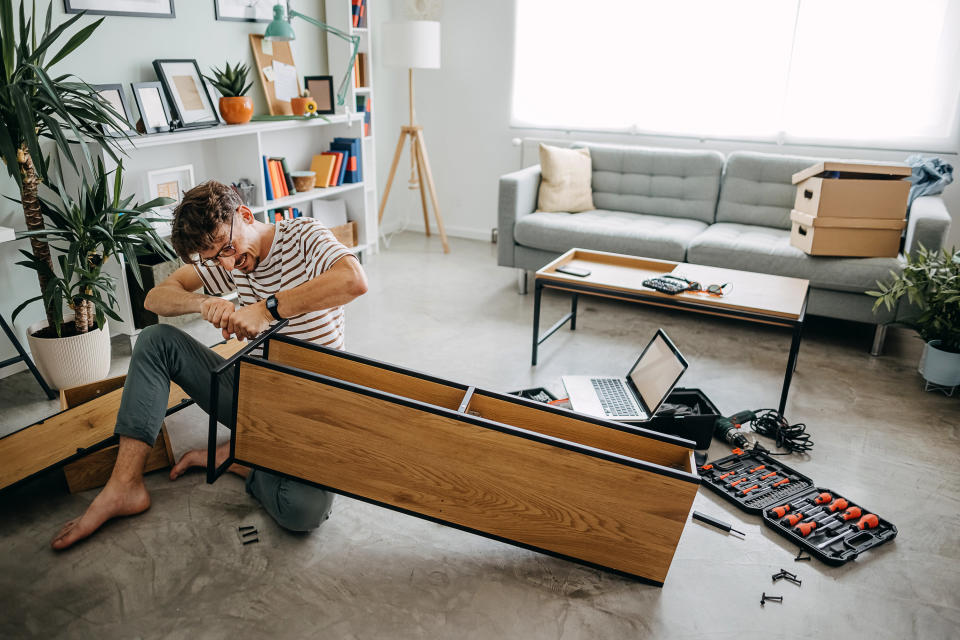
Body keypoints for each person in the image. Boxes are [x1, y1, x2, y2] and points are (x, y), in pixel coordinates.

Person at [51, 181, 368, 550]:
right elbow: (156, 298)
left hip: (316, 407)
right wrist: (201, 304)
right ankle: (125, 486)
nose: (229, 263)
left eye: (229, 248)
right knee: (156, 341)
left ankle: (242, 459)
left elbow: (354, 280)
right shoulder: (225, 261)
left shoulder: (303, 234)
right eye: (215, 258)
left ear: (245, 216)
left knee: (302, 510)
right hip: (256, 397)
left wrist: (267, 308)